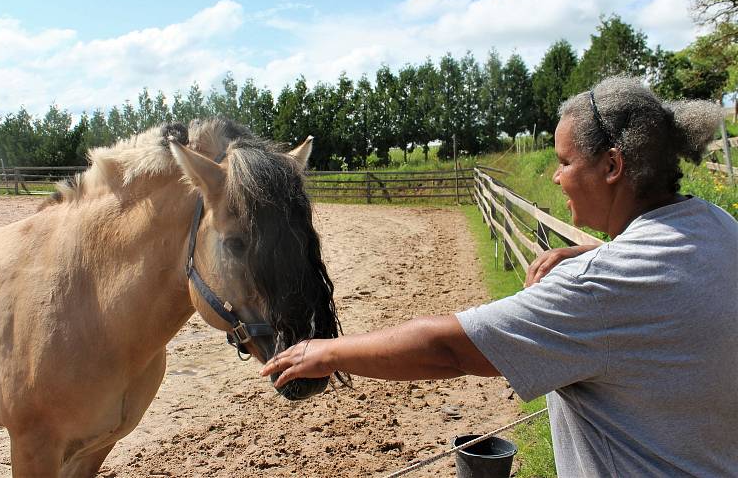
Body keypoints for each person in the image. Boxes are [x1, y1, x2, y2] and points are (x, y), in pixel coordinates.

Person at [261, 76, 738, 477]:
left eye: (565, 161)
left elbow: (448, 349)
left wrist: (327, 351)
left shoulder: (599, 288)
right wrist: (596, 249)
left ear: (613, 165)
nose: (556, 177)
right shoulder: (717, 226)